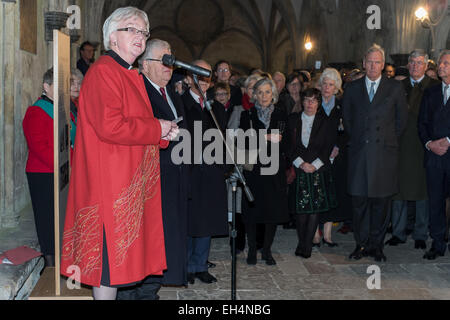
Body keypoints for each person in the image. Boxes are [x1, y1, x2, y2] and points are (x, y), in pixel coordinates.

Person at [61, 7, 179, 300]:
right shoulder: (104, 71)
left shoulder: (129, 74)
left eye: (144, 32)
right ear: (112, 37)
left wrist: (161, 133)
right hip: (109, 185)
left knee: (114, 265)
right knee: (106, 264)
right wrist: (157, 128)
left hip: (126, 182)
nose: (140, 37)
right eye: (132, 30)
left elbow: (134, 125)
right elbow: (111, 126)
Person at [115, 39, 189, 300]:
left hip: (172, 176)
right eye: (164, 61)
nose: (170, 66)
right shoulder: (139, 90)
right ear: (145, 65)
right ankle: (134, 292)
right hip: (149, 178)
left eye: (172, 60)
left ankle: (150, 290)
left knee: (164, 240)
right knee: (144, 241)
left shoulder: (171, 93)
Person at [343, 44, 408, 262]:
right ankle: (360, 245)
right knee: (359, 203)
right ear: (363, 63)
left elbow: (401, 122)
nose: (373, 66)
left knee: (381, 204)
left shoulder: (395, 88)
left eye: (377, 62)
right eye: (369, 61)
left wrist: (387, 142)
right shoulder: (352, 88)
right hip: (360, 154)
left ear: (383, 65)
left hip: (384, 155)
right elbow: (348, 121)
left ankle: (376, 246)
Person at [386, 50, 441, 250]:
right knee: (399, 190)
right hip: (400, 145)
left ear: (426, 66)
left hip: (424, 145)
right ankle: (398, 232)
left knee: (422, 190)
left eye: (420, 63)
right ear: (408, 65)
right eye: (413, 63)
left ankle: (420, 233)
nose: (416, 66)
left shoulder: (435, 87)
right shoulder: (397, 86)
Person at [182, 60, 228, 284]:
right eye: (199, 76)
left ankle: (201, 265)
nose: (203, 80)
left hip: (211, 172)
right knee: (190, 220)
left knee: (207, 221)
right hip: (189, 171)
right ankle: (187, 266)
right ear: (189, 79)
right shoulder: (180, 103)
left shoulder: (216, 107)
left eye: (207, 76)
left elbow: (223, 140)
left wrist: (222, 167)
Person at [239, 78, 289, 266]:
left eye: (268, 92)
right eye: (260, 92)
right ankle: (252, 249)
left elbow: (286, 143)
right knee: (252, 212)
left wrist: (261, 138)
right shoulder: (248, 115)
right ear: (255, 95)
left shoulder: (281, 114)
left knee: (272, 212)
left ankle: (267, 250)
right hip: (254, 170)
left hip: (275, 170)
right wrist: (267, 136)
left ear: (273, 94)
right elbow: (243, 142)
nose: (264, 96)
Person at [289, 88, 337, 258]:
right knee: (300, 210)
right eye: (307, 100)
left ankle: (307, 245)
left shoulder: (325, 122)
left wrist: (314, 165)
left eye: (314, 100)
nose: (310, 104)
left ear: (319, 103)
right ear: (302, 102)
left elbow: (328, 147)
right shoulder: (293, 119)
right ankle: (301, 242)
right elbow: (288, 146)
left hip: (317, 170)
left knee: (314, 210)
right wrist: (301, 163)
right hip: (298, 169)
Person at [23, 68, 58, 268]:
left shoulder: (59, 107)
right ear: (46, 86)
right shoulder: (36, 110)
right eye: (57, 86)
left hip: (58, 171)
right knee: (46, 219)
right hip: (42, 173)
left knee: (57, 218)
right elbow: (38, 146)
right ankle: (49, 262)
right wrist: (64, 164)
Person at [418, 50, 450, 260]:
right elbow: (421, 123)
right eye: (440, 63)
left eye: (446, 63)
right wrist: (430, 144)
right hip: (435, 157)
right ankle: (438, 243)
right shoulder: (431, 92)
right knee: (436, 201)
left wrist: (448, 141)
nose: (440, 66)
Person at [315, 68, 351, 247]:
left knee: (331, 192)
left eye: (331, 85)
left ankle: (327, 233)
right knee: (316, 192)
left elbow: (347, 131)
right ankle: (315, 232)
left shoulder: (341, 106)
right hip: (315, 156)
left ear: (337, 88)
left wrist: (337, 146)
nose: (327, 88)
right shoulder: (313, 103)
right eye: (325, 84)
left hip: (335, 157)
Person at [69, 69, 83, 148]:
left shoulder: (82, 102)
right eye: (72, 83)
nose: (76, 87)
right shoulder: (65, 104)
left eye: (79, 83)